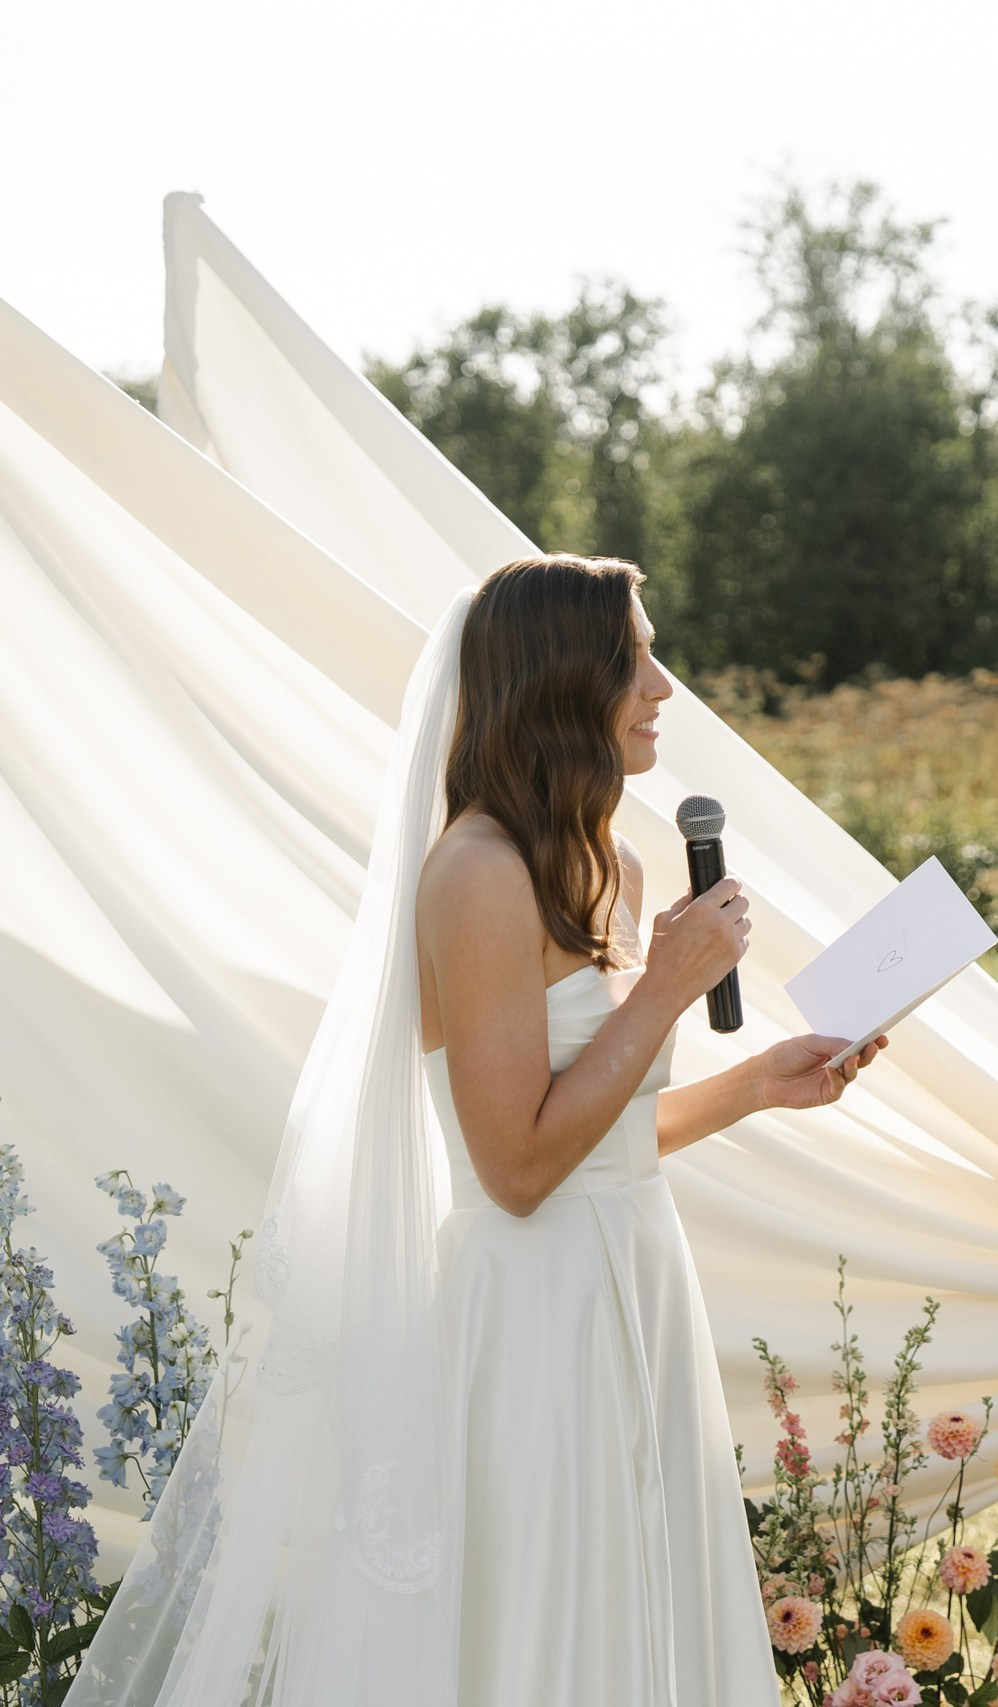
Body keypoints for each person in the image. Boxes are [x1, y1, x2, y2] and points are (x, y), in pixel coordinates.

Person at [68, 554, 882, 1705]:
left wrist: (755, 1082)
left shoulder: (616, 862)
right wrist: (667, 985)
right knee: (544, 1620)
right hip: (531, 1311)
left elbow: (603, 1138)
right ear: (559, 681)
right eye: (634, 659)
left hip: (636, 1277)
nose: (664, 689)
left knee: (644, 1601)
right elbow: (515, 1168)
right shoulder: (476, 873)